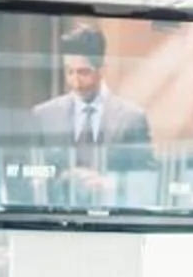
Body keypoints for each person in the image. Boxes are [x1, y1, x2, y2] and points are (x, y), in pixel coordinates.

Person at [28, 23, 154, 208]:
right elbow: (31, 176)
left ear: (102, 68)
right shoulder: (43, 116)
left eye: (83, 72)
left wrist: (109, 185)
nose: (75, 83)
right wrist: (59, 179)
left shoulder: (132, 119)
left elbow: (148, 182)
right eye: (69, 72)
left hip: (112, 222)